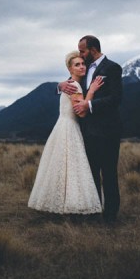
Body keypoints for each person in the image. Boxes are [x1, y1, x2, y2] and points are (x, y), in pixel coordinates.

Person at [28, 51, 104, 215]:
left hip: (61, 126)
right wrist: (92, 91)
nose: (82, 66)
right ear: (70, 69)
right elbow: (81, 112)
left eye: (83, 63)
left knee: (62, 167)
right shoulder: (75, 86)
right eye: (77, 64)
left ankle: (60, 204)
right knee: (72, 167)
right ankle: (73, 205)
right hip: (70, 127)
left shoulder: (69, 84)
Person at [59, 35, 123, 223]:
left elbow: (115, 98)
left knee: (109, 173)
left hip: (108, 130)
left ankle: (111, 216)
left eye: (82, 51)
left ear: (93, 50)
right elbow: (72, 84)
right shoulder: (84, 69)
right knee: (91, 173)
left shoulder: (112, 68)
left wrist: (90, 106)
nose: (80, 54)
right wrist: (60, 85)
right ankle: (93, 211)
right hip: (87, 131)